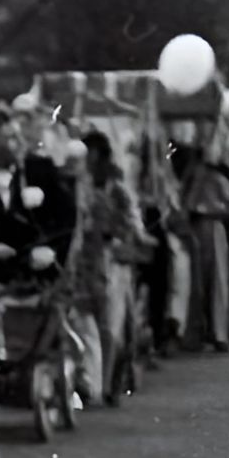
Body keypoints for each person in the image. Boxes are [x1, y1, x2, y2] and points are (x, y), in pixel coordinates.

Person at [0, 105, 77, 289]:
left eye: (18, 135)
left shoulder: (42, 171)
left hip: (42, 284)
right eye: (10, 138)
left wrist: (52, 251)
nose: (20, 142)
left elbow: (68, 221)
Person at [74, 132, 146, 406]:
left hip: (113, 263)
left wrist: (119, 235)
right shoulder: (80, 185)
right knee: (89, 324)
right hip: (85, 263)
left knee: (112, 328)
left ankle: (107, 385)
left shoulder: (117, 190)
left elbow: (133, 224)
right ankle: (92, 383)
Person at [176, 145, 229, 352]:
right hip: (192, 233)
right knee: (194, 284)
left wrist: (208, 210)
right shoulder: (187, 182)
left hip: (212, 229)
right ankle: (196, 332)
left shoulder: (217, 180)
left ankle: (219, 333)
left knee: (217, 281)